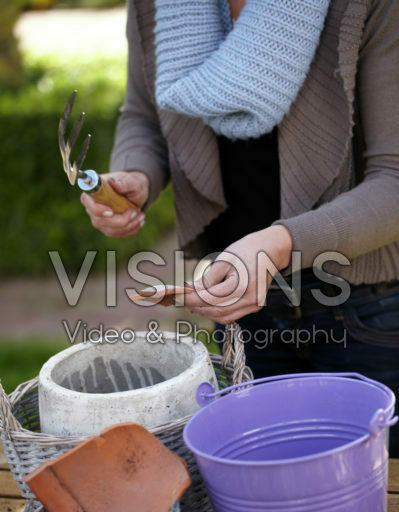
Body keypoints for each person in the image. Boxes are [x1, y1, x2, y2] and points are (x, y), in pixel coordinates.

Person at [80, 0, 399, 453]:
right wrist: (137, 174)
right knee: (258, 498)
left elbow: (394, 180)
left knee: (374, 502)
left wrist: (281, 244)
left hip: (366, 312)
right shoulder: (155, 6)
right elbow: (143, 115)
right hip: (239, 308)